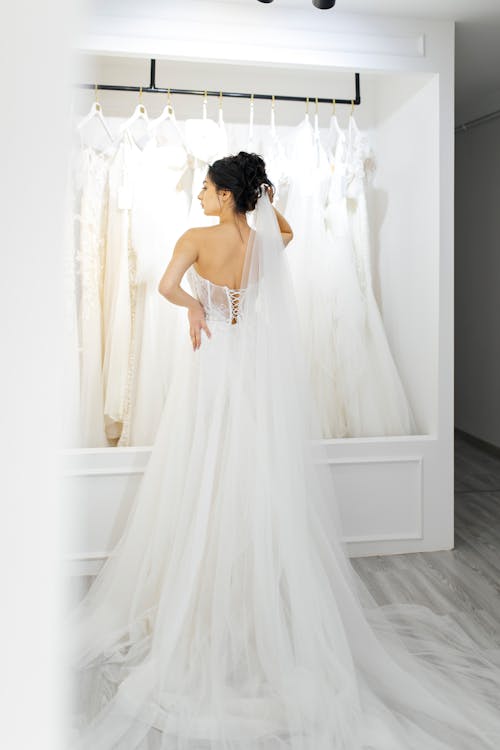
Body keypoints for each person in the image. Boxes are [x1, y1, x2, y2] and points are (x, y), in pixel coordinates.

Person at [64, 152, 500, 750]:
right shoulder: (266, 241)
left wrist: (194, 306)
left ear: (223, 194)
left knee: (203, 472)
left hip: (211, 365)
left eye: (207, 187)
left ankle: (205, 586)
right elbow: (285, 229)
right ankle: (254, 588)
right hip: (253, 370)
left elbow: (166, 287)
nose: (198, 195)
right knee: (255, 475)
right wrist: (260, 200)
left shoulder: (195, 237)